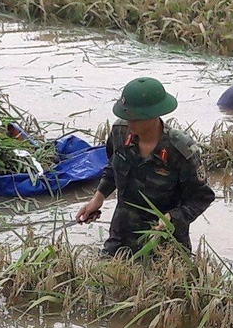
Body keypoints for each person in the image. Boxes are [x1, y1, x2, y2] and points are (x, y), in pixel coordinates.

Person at [76, 77, 215, 258]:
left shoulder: (180, 149)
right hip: (121, 234)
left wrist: (173, 218)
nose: (129, 123)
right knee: (103, 279)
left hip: (164, 239)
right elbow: (113, 167)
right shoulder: (119, 132)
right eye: (127, 116)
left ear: (153, 115)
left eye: (135, 118)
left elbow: (202, 197)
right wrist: (98, 198)